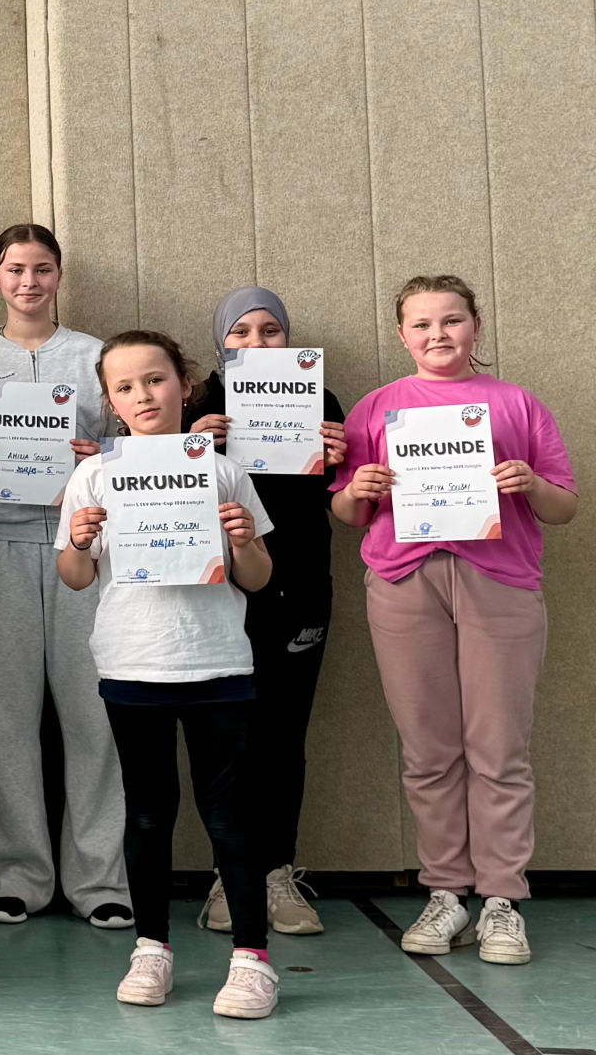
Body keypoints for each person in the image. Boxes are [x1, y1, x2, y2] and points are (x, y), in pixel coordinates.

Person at [333, 275, 576, 966]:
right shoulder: (376, 408)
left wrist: (530, 483)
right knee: (428, 749)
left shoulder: (518, 404)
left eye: (451, 320)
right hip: (404, 582)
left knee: (499, 747)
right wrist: (358, 490)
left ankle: (502, 899)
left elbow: (564, 507)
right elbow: (347, 512)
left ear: (475, 325)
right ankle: (447, 891)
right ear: (402, 334)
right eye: (422, 323)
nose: (437, 334)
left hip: (500, 582)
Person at [58, 330, 279, 1018]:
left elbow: (258, 576)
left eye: (155, 379)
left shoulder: (223, 470)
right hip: (133, 662)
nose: (143, 395)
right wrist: (80, 540)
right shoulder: (93, 475)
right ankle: (151, 946)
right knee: (149, 813)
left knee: (230, 816)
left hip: (218, 661)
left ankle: (252, 958)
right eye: (124, 387)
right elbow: (74, 576)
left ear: (185, 384)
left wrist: (243, 539)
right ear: (110, 402)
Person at [0, 223, 130, 928]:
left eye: (42, 268)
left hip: (85, 548)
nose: (29, 282)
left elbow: (135, 448)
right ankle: (12, 873)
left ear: (59, 276)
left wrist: (101, 457)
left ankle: (101, 879)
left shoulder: (95, 356)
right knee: (5, 717)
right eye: (15, 269)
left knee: (95, 715)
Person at [183, 287, 346, 938]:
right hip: (220, 592)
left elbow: (342, 496)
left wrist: (340, 458)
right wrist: (191, 446)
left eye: (271, 330)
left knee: (283, 735)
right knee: (228, 739)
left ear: (289, 337)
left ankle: (277, 871)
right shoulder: (197, 405)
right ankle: (230, 875)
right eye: (242, 331)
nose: (257, 342)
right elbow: (154, 505)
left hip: (300, 588)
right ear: (221, 340)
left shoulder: (320, 400)